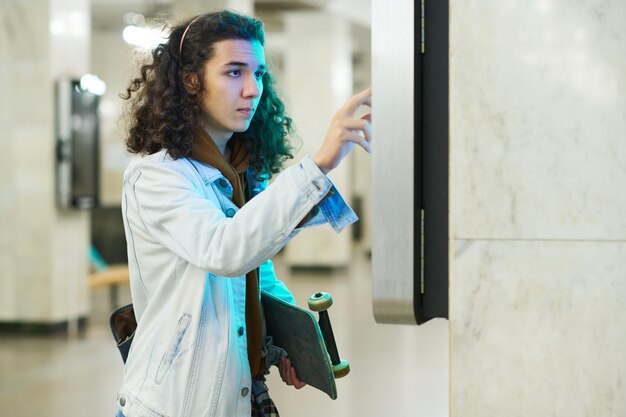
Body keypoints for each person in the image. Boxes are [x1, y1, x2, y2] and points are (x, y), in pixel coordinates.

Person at [116, 9, 371, 417]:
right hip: (176, 405)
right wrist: (318, 164)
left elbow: (257, 266)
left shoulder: (241, 169)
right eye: (234, 72)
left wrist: (290, 338)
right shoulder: (156, 176)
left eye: (259, 74)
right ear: (191, 81)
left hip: (242, 393)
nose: (253, 89)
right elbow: (227, 250)